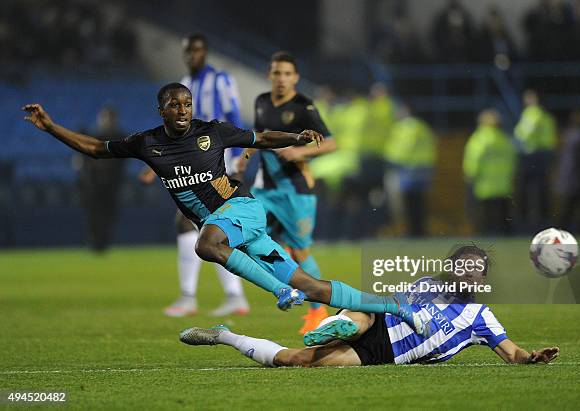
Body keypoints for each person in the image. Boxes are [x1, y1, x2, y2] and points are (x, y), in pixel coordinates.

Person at [22, 83, 425, 333]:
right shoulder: (147, 143)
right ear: (160, 110)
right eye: (174, 105)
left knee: (205, 244)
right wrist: (51, 126)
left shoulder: (212, 132)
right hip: (237, 228)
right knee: (313, 287)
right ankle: (396, 307)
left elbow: (260, 137)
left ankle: (277, 290)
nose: (183, 110)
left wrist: (295, 137)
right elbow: (95, 149)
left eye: (187, 103)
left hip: (241, 211)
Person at [179, 246, 560, 367]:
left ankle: (226, 336)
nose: (469, 274)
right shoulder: (428, 284)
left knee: (297, 362)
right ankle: (340, 321)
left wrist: (532, 358)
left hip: (386, 354)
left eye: (476, 270)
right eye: (463, 266)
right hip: (381, 322)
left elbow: (512, 355)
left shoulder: (482, 319)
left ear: (482, 278)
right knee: (365, 312)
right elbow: (390, 301)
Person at [140, 33, 248, 317]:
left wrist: (238, 160)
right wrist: (155, 165)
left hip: (217, 163)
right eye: (188, 51)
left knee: (192, 223)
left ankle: (194, 297)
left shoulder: (221, 80)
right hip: (192, 164)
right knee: (205, 227)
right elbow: (174, 134)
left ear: (206, 52)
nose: (192, 55)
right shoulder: (185, 85)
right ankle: (233, 296)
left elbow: (235, 117)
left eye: (197, 50)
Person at [240, 52, 336, 334]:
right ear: (270, 75)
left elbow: (330, 144)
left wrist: (299, 151)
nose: (281, 78)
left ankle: (318, 311)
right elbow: (258, 135)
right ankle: (284, 288)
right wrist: (244, 154)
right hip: (265, 189)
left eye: (286, 74)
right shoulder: (261, 102)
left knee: (301, 250)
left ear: (295, 78)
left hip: (295, 192)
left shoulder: (304, 106)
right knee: (250, 239)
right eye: (276, 73)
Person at [74, 106, 125, 252]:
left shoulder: (120, 138)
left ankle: (103, 243)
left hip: (112, 185)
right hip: (94, 185)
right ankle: (95, 243)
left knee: (109, 214)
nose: (106, 121)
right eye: (105, 117)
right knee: (94, 215)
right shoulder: (94, 137)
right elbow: (82, 159)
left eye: (109, 118)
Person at [383, 104, 436, 237]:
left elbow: (405, 147)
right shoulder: (422, 126)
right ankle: (418, 230)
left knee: (410, 201)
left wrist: (390, 159)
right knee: (419, 201)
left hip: (410, 168)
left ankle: (414, 231)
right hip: (423, 166)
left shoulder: (408, 127)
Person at [463, 109, 516, 235]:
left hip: (484, 187)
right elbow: (512, 161)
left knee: (485, 222)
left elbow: (474, 160)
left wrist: (470, 175)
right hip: (503, 186)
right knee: (503, 221)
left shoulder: (480, 139)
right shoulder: (504, 140)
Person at [514, 90, 556, 232]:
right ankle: (545, 222)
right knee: (542, 191)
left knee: (525, 191)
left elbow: (523, 134)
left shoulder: (532, 114)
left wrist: (517, 142)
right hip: (544, 155)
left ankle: (524, 224)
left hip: (531, 155)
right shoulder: (546, 116)